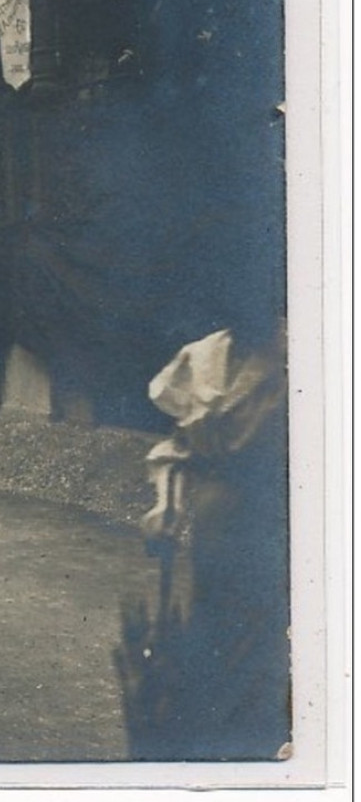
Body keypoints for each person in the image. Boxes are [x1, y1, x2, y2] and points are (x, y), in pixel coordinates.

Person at [121, 313, 290, 760]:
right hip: (216, 525)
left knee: (271, 646)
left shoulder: (301, 354)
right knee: (213, 629)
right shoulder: (207, 357)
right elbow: (181, 449)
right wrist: (167, 507)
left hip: (279, 518)